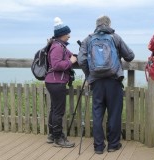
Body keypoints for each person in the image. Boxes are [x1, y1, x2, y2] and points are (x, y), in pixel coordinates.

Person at [77, 15, 135, 154]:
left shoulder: (88, 39)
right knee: (114, 113)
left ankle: (98, 147)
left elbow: (81, 60)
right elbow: (130, 56)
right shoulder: (115, 37)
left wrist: (89, 75)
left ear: (96, 25)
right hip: (113, 80)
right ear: (108, 24)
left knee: (97, 113)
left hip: (96, 81)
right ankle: (113, 145)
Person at [45, 17, 77, 148]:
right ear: (61, 35)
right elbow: (57, 64)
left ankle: (52, 135)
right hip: (56, 82)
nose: (69, 36)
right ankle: (58, 139)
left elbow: (71, 54)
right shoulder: (57, 47)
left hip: (53, 81)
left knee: (54, 109)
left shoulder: (60, 46)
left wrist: (75, 57)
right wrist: (71, 62)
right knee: (58, 111)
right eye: (67, 34)